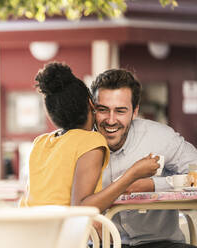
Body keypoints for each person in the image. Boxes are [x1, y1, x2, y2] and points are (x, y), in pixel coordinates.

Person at [20, 62, 159, 214]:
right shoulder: (91, 141)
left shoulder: (40, 142)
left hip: (30, 231)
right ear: (91, 104)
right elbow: (81, 208)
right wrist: (133, 174)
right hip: (60, 234)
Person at [91, 68, 197, 248]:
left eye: (120, 111)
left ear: (134, 112)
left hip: (160, 243)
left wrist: (154, 185)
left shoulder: (160, 137)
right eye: (103, 110)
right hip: (102, 243)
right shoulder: (81, 145)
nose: (110, 120)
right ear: (93, 109)